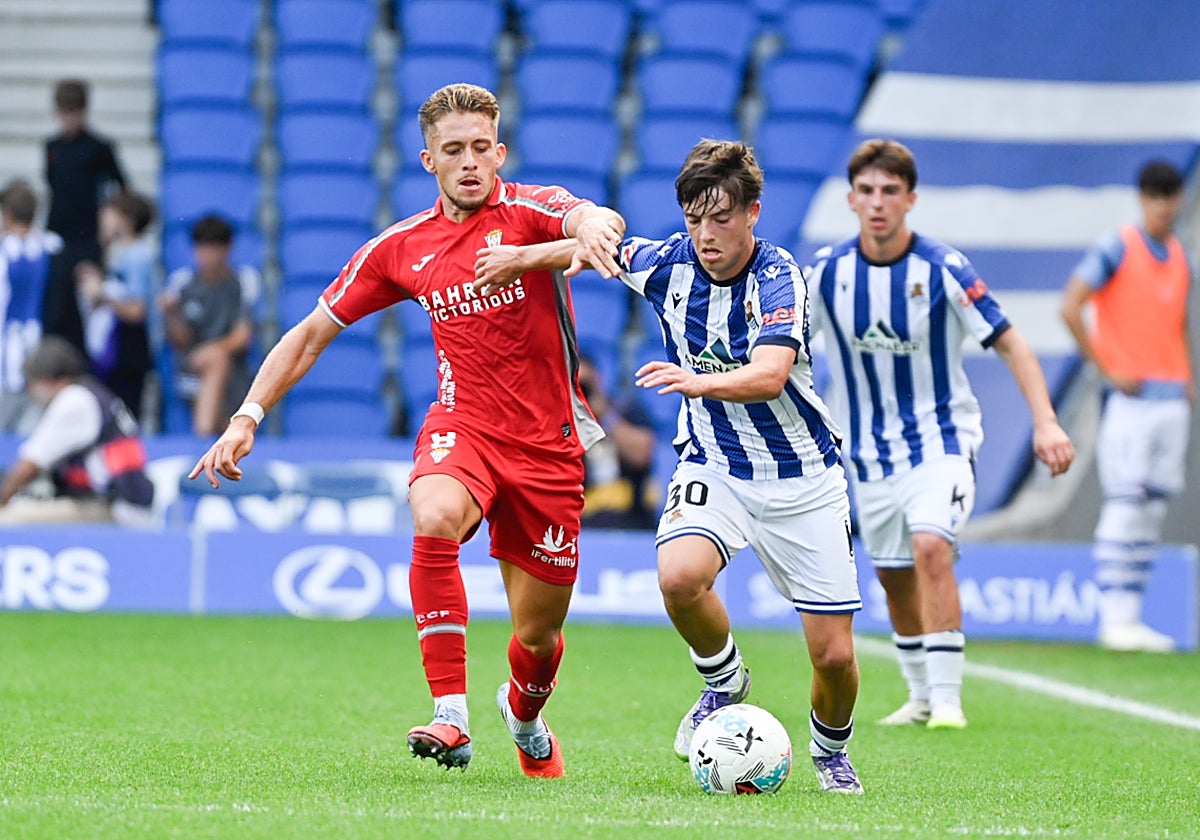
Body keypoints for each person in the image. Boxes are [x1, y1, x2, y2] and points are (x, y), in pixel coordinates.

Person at [189, 83, 625, 777]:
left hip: (549, 447)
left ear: (500, 151)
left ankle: (524, 716)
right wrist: (246, 417)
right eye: (454, 150)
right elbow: (309, 335)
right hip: (465, 427)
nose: (471, 162)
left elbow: (591, 220)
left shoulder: (532, 210)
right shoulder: (401, 248)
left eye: (482, 147)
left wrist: (594, 228)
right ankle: (450, 713)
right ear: (429, 161)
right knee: (434, 514)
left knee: (538, 638)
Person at [507, 139, 866, 793]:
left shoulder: (780, 277)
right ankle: (724, 680)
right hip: (716, 463)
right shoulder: (669, 262)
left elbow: (769, 374)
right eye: (694, 218)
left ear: (753, 213)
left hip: (803, 478)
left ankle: (829, 753)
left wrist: (697, 383)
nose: (705, 234)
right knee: (679, 576)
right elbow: (592, 251)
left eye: (720, 218)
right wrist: (521, 259)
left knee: (834, 656)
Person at [806, 138, 1075, 729]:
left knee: (931, 545)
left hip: (941, 441)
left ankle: (949, 698)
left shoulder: (943, 268)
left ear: (911, 199)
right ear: (852, 199)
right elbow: (787, 348)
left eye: (890, 192)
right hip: (868, 453)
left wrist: (1046, 420)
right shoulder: (826, 274)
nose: (878, 203)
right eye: (868, 191)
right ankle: (921, 694)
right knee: (894, 572)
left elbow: (1009, 339)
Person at [1060, 160, 1194, 653]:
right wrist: (1104, 367)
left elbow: (1176, 319)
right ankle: (1114, 616)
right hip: (1130, 398)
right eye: (1155, 196)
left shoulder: (1180, 255)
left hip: (1171, 395)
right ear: (1143, 199)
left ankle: (1133, 614)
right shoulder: (1118, 245)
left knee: (1153, 507)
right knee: (1125, 501)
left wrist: (1188, 376)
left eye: (1170, 195)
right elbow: (1070, 304)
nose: (1164, 205)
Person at [0, 336, 154, 527]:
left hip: (115, 510)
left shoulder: (74, 400)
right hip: (122, 504)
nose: (31, 395)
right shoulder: (92, 392)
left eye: (30, 386)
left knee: (8, 519)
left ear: (46, 381)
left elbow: (28, 466)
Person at [43, 79, 127, 353]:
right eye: (64, 113)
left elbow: (121, 187)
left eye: (73, 112)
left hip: (89, 239)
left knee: (90, 307)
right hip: (58, 236)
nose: (68, 120)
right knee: (57, 305)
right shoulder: (52, 147)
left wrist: (110, 224)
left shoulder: (98, 148)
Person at [159, 214, 261, 436]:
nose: (207, 256)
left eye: (214, 248)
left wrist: (213, 350)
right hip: (190, 365)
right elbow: (181, 340)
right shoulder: (182, 283)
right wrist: (171, 314)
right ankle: (204, 434)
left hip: (233, 367)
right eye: (202, 248)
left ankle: (207, 437)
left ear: (227, 249)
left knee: (217, 362)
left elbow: (242, 336)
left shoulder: (243, 280)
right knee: (214, 364)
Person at [76, 190, 156, 422]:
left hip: (127, 349)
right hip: (114, 348)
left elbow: (137, 310)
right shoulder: (119, 253)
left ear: (126, 220)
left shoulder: (138, 256)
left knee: (124, 416)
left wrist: (103, 295)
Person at [0, 179, 61, 433]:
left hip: (8, 341)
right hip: (39, 341)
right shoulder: (51, 246)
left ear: (7, 214)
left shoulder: (5, 251)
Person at [577, 353, 658, 529]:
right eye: (576, 385)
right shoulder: (562, 419)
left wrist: (606, 416)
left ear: (598, 380)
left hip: (631, 518)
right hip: (581, 521)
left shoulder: (625, 410)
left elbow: (641, 454)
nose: (582, 391)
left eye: (586, 385)